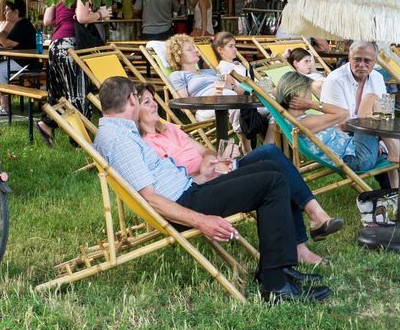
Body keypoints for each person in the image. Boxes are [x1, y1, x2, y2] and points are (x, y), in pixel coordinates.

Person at [93, 76, 331, 302]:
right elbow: (151, 199)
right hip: (183, 204)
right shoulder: (120, 140)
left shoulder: (117, 131)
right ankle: (276, 285)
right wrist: (201, 221)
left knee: (270, 166)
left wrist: (202, 177)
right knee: (272, 183)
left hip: (190, 190)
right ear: (132, 101)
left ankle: (279, 268)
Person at [135, 84, 344, 265]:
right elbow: (176, 180)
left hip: (218, 171)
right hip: (203, 185)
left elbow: (204, 151)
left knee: (271, 155)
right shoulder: (145, 145)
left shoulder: (169, 129)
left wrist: (211, 159)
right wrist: (206, 172)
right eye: (147, 102)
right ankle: (309, 231)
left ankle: (311, 223)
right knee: (272, 163)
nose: (154, 104)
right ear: (134, 110)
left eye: (153, 100)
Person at [34, 0, 102, 147]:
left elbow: (48, 21)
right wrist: (99, 14)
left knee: (57, 92)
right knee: (78, 91)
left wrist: (64, 17)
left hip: (55, 45)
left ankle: (47, 124)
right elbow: (81, 17)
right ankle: (80, 140)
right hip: (71, 44)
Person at [319, 41, 400, 179]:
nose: (362, 65)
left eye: (367, 60)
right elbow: (341, 124)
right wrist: (375, 130)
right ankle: (394, 157)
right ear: (349, 58)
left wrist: (379, 136)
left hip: (370, 134)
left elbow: (383, 115)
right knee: (371, 99)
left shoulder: (377, 78)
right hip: (345, 139)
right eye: (357, 59)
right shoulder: (335, 80)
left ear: (375, 61)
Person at [277, 72, 385, 173]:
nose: (311, 97)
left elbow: (339, 122)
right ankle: (390, 147)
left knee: (367, 115)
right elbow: (343, 113)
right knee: (370, 98)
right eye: (309, 92)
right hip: (358, 158)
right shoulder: (303, 123)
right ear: (300, 94)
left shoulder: (298, 120)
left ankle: (387, 147)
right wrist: (312, 105)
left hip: (356, 154)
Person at [0, 0, 38, 116]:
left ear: (16, 12)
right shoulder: (19, 24)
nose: (5, 13)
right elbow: (9, 43)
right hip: (21, 60)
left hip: (26, 62)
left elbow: (8, 43)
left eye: (7, 10)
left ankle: (3, 106)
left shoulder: (23, 24)